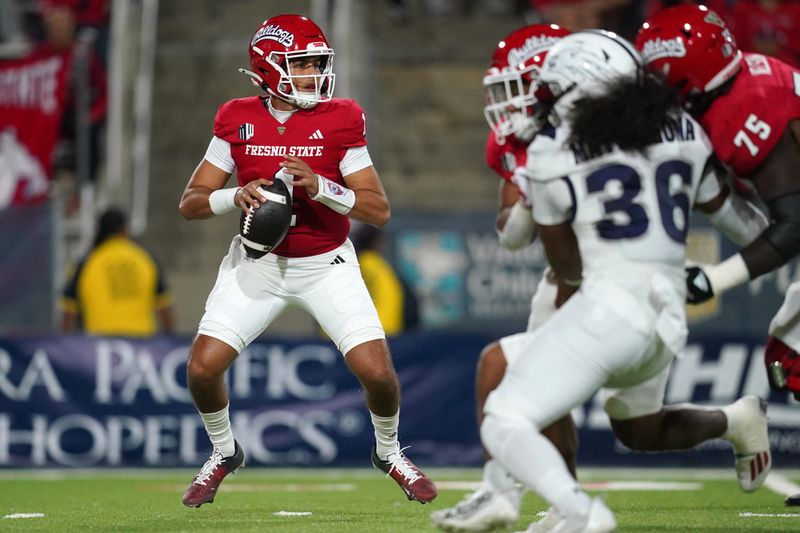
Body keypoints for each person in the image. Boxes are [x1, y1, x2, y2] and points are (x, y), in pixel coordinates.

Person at [431, 22, 771, 533]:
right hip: (667, 312)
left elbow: (563, 263)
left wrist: (536, 194)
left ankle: (569, 510)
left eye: (548, 90)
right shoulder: (686, 132)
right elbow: (746, 225)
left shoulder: (552, 152)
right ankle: (734, 421)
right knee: (638, 430)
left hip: (606, 302)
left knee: (503, 394)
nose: (538, 102)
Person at [176, 14, 437, 508]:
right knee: (203, 369)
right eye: (302, 64)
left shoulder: (341, 117)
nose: (315, 74)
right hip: (257, 264)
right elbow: (191, 201)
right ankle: (224, 451)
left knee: (378, 373)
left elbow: (378, 209)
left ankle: (389, 452)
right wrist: (236, 196)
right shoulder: (236, 117)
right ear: (270, 69)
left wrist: (323, 187)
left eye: (318, 63)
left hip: (325, 263)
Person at [635, 4, 800, 506]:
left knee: (794, 356)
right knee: (792, 354)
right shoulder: (740, 79)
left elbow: (794, 223)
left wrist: (716, 279)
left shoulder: (742, 108)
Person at [431, 23, 580, 533]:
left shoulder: (601, 136)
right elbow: (514, 236)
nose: (508, 103)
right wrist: (525, 200)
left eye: (519, 85)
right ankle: (561, 502)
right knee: (525, 381)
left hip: (617, 281)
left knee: (641, 424)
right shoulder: (516, 142)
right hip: (568, 278)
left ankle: (532, 498)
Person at [60, 207, 174, 336]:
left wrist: (66, 345)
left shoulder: (87, 263)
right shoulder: (145, 259)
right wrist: (169, 341)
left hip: (98, 346)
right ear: (125, 229)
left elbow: (69, 312)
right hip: (141, 344)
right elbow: (164, 308)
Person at [350, 223, 418, 335]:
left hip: (359, 332)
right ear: (377, 242)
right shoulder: (377, 267)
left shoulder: (357, 265)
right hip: (384, 331)